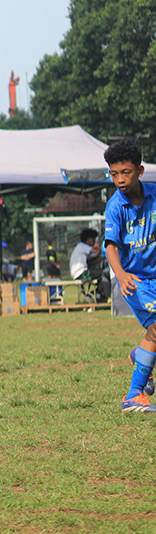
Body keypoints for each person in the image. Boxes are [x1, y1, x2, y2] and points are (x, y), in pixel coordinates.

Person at [103, 139, 156, 413]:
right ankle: (133, 396)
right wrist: (121, 275)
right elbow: (111, 246)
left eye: (126, 172)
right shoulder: (114, 207)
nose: (120, 180)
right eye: (114, 174)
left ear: (140, 170)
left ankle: (142, 355)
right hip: (135, 281)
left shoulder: (155, 195)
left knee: (154, 335)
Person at [70, 228, 108, 302]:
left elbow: (91, 262)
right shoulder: (82, 246)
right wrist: (105, 250)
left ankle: (96, 294)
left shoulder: (82, 248)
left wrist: (102, 258)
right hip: (81, 273)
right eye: (93, 239)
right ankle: (102, 295)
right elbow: (97, 252)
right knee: (104, 274)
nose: (94, 241)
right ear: (89, 239)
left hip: (80, 272)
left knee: (100, 273)